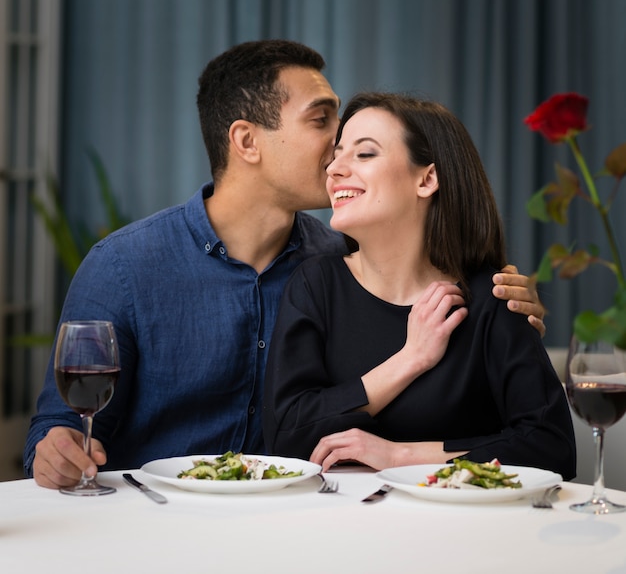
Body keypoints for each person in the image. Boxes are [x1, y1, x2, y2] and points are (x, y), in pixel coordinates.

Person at [24, 41, 546, 490]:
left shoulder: (343, 263)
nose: (336, 148)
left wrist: (502, 309)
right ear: (247, 141)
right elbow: (59, 427)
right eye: (322, 121)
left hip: (298, 526)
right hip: (158, 523)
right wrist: (55, 449)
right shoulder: (123, 266)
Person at [263, 92, 576, 480]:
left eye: (364, 154)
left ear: (426, 179)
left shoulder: (493, 296)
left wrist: (400, 457)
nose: (333, 169)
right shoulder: (315, 286)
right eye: (337, 154)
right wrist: (411, 359)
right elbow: (286, 438)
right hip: (341, 527)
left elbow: (552, 447)